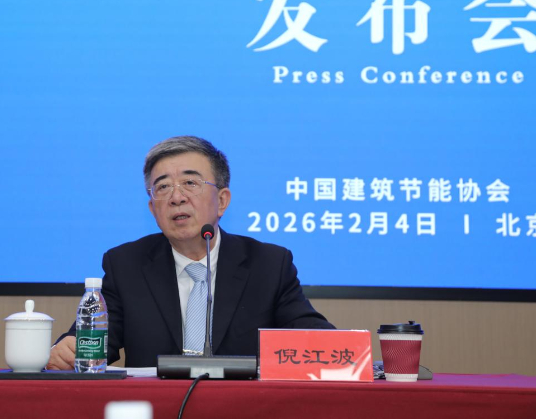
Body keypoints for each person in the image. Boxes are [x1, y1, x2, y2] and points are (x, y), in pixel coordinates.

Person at [47, 136, 334, 369]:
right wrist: (67, 349)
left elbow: (313, 336)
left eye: (190, 183)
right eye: (162, 187)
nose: (176, 197)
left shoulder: (268, 265)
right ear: (153, 209)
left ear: (222, 201)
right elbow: (92, 341)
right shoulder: (126, 265)